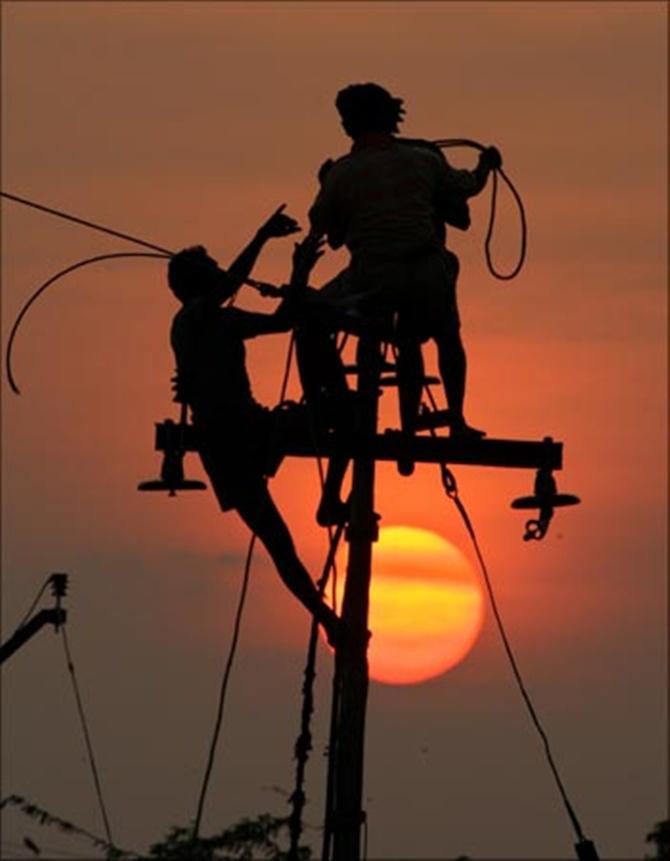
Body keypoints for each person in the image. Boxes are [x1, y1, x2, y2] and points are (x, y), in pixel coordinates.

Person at [168, 207, 340, 645]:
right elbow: (228, 287)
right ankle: (325, 617)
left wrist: (298, 271)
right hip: (231, 440)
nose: (222, 273)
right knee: (278, 542)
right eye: (212, 269)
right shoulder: (191, 319)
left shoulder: (223, 320)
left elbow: (284, 320)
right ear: (197, 283)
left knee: (333, 426)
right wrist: (262, 235)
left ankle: (327, 616)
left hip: (245, 433)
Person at [309, 82, 502, 455]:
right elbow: (467, 187)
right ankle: (456, 421)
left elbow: (329, 235)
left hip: (371, 279)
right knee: (446, 336)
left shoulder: (342, 173)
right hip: (427, 272)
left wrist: (324, 182)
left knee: (314, 313)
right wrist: (486, 166)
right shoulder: (424, 160)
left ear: (351, 124)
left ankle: (336, 407)